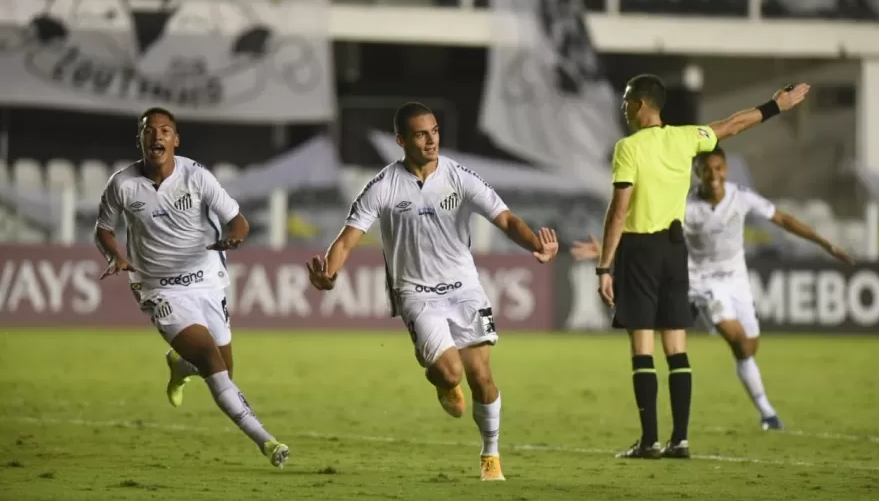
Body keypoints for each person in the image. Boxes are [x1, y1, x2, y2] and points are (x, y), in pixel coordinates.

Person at [306, 101, 559, 481]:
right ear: (401, 140)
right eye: (422, 134)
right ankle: (443, 384)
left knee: (482, 377)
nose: (431, 140)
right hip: (416, 294)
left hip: (465, 289)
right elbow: (347, 239)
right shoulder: (383, 186)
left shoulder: (459, 177)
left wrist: (536, 245)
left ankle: (490, 455)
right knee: (449, 371)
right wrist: (330, 273)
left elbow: (505, 218)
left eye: (435, 131)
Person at [592, 74, 810, 459]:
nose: (624, 108)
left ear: (642, 104)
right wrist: (776, 105)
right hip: (676, 250)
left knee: (642, 346)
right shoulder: (686, 138)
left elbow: (619, 210)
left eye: (627, 101)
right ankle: (681, 440)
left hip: (640, 249)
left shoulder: (628, 148)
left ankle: (649, 441)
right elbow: (733, 124)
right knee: (676, 346)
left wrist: (604, 267)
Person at [570, 147, 854, 431]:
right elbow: (648, 231)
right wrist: (604, 249)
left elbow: (783, 219)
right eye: (706, 169)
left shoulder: (740, 196)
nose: (713, 175)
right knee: (736, 339)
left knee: (748, 347)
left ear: (726, 169)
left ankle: (765, 411)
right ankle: (768, 412)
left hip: (737, 280)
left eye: (718, 168)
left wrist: (824, 243)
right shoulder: (686, 206)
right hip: (701, 282)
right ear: (697, 173)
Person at [94, 107, 289, 468]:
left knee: (224, 371)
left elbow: (238, 220)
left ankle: (180, 366)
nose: (157, 136)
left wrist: (234, 238)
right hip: (158, 290)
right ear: (140, 139)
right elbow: (103, 229)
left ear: (175, 139)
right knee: (213, 362)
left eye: (165, 130)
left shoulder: (197, 176)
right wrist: (115, 256)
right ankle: (268, 442)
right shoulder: (122, 184)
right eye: (149, 130)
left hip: (207, 281)